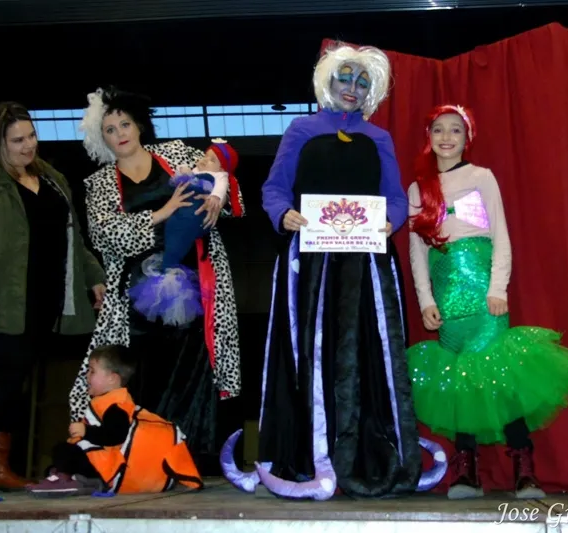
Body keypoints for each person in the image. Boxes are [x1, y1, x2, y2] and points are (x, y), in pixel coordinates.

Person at [220, 43, 447, 500]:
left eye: (362, 82)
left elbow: (395, 197)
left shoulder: (378, 137)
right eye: (345, 78)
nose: (352, 88)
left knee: (365, 355)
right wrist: (283, 214)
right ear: (329, 81)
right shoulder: (301, 129)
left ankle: (367, 454)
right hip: (311, 265)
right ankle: (306, 456)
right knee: (309, 350)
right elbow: (274, 188)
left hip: (365, 267)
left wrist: (391, 221)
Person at [405, 104, 568, 499]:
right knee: (461, 382)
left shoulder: (481, 177)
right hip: (447, 300)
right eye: (439, 129)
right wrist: (425, 301)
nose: (447, 137)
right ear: (428, 137)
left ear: (467, 138)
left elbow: (500, 235)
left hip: (484, 295)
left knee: (500, 376)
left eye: (455, 130)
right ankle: (467, 470)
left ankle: (524, 466)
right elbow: (417, 252)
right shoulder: (418, 189)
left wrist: (498, 288)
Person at [68, 87, 244, 469]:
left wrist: (219, 198)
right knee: (142, 373)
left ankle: (196, 459)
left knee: (197, 371)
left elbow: (221, 180)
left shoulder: (178, 154)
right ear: (102, 138)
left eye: (124, 124)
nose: (120, 134)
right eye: (110, 129)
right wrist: (161, 213)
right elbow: (105, 236)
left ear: (139, 125)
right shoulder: (99, 183)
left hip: (197, 286)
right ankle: (141, 457)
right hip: (134, 299)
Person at [0, 102, 106, 496]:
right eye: (17, 140)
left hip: (45, 295)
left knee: (17, 378)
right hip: (3, 295)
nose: (28, 145)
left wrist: (94, 276)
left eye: (31, 136)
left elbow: (72, 237)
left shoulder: (50, 177)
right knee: (2, 371)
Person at [27, 345, 202, 497]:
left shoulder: (116, 406)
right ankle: (73, 478)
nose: (87, 375)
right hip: (108, 465)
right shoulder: (111, 401)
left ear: (112, 378)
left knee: (64, 449)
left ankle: (67, 478)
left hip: (113, 469)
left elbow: (115, 435)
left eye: (92, 371)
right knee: (64, 454)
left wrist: (86, 431)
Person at [128, 138, 241, 327]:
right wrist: (184, 173)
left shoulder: (208, 169)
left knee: (176, 250)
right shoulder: (108, 176)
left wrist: (218, 199)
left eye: (211, 159)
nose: (204, 160)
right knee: (173, 249)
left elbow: (228, 192)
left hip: (193, 231)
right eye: (206, 156)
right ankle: (167, 281)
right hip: (167, 229)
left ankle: (169, 281)